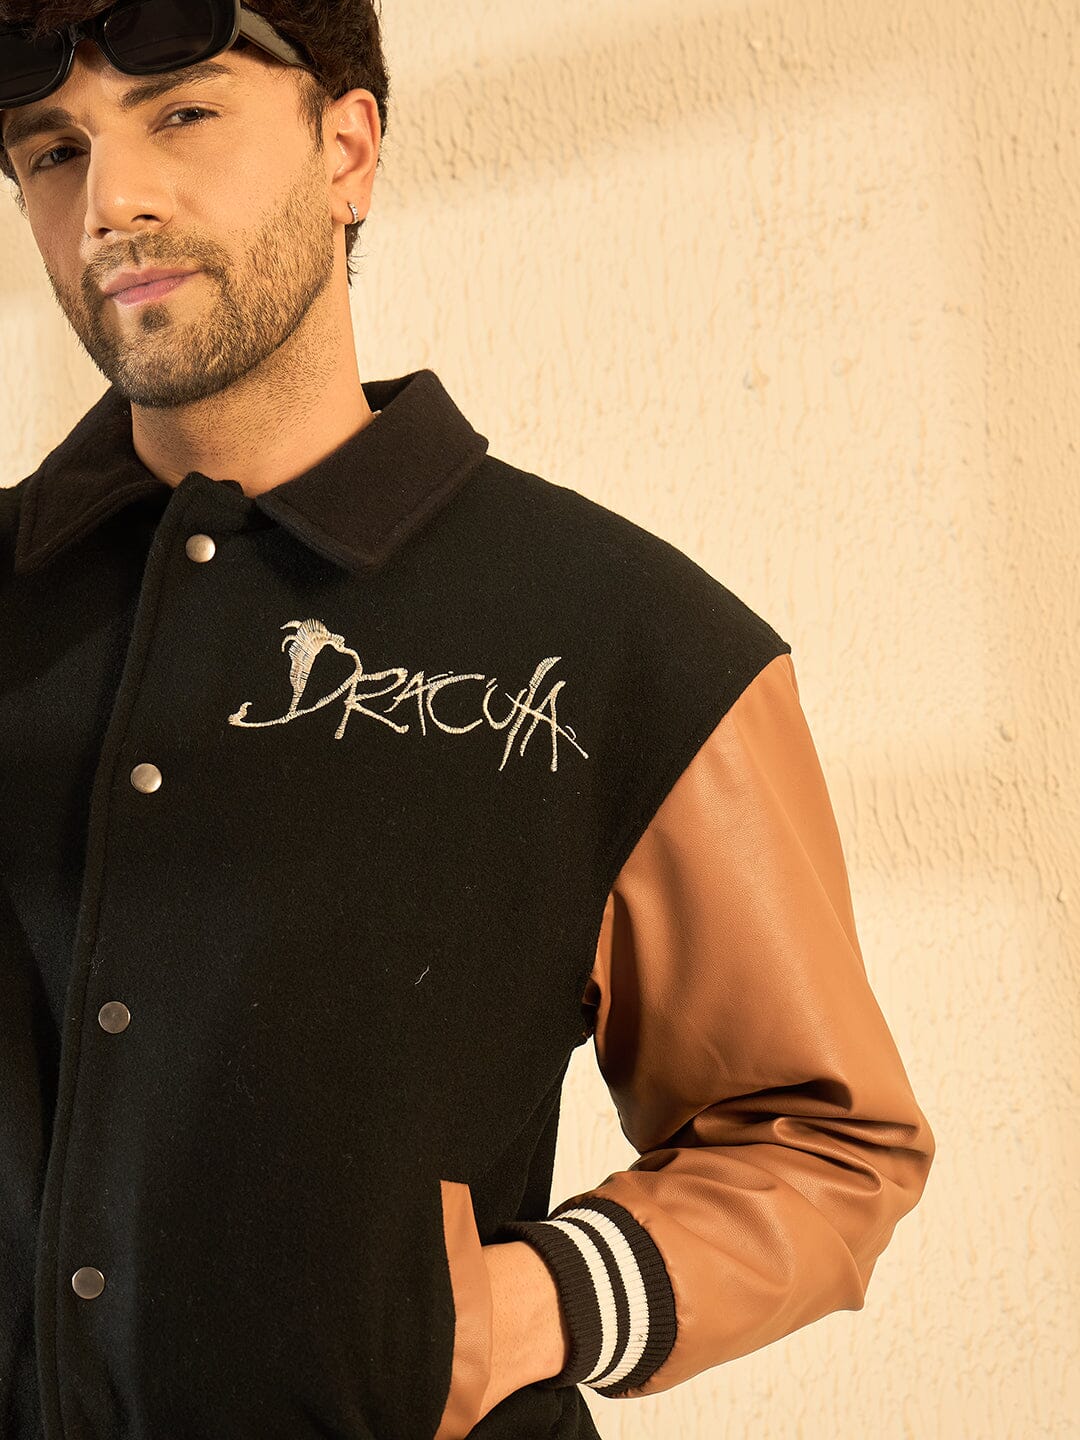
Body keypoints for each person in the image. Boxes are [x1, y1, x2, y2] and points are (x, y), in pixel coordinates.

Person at [0, 4, 936, 1439]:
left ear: (346, 150)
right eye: (55, 151)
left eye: (182, 114)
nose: (110, 201)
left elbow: (823, 1140)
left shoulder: (629, 642)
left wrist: (523, 1310)